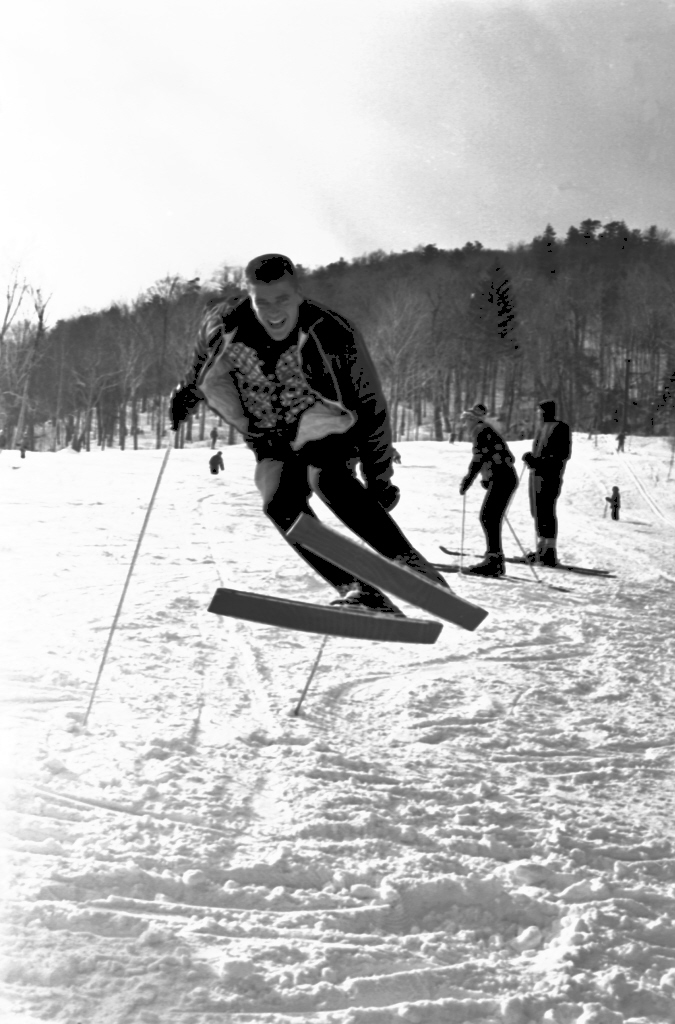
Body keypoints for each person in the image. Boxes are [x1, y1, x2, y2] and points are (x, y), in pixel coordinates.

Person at [170, 253, 447, 615]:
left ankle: (416, 573)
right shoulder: (223, 324)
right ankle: (362, 591)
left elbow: (370, 404)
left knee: (327, 478)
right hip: (270, 434)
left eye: (282, 299)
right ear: (249, 295)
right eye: (262, 301)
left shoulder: (332, 331)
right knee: (279, 504)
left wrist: (379, 476)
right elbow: (201, 362)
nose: (273, 312)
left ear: (298, 293)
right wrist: (187, 390)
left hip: (327, 424)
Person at [458, 404, 518, 577]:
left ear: (472, 419)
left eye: (465, 420)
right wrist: (488, 478)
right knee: (490, 517)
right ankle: (495, 559)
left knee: (488, 516)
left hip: (503, 479)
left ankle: (494, 561)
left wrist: (468, 480)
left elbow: (479, 458)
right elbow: (500, 455)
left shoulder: (480, 430)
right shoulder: (485, 430)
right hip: (503, 478)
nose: (464, 424)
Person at [522, 400, 571, 567]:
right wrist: (531, 458)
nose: (538, 415)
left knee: (547, 510)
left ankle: (550, 551)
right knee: (537, 511)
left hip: (550, 476)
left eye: (540, 412)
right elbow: (539, 452)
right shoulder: (541, 428)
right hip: (536, 476)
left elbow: (561, 455)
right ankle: (541, 548)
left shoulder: (560, 428)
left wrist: (538, 462)